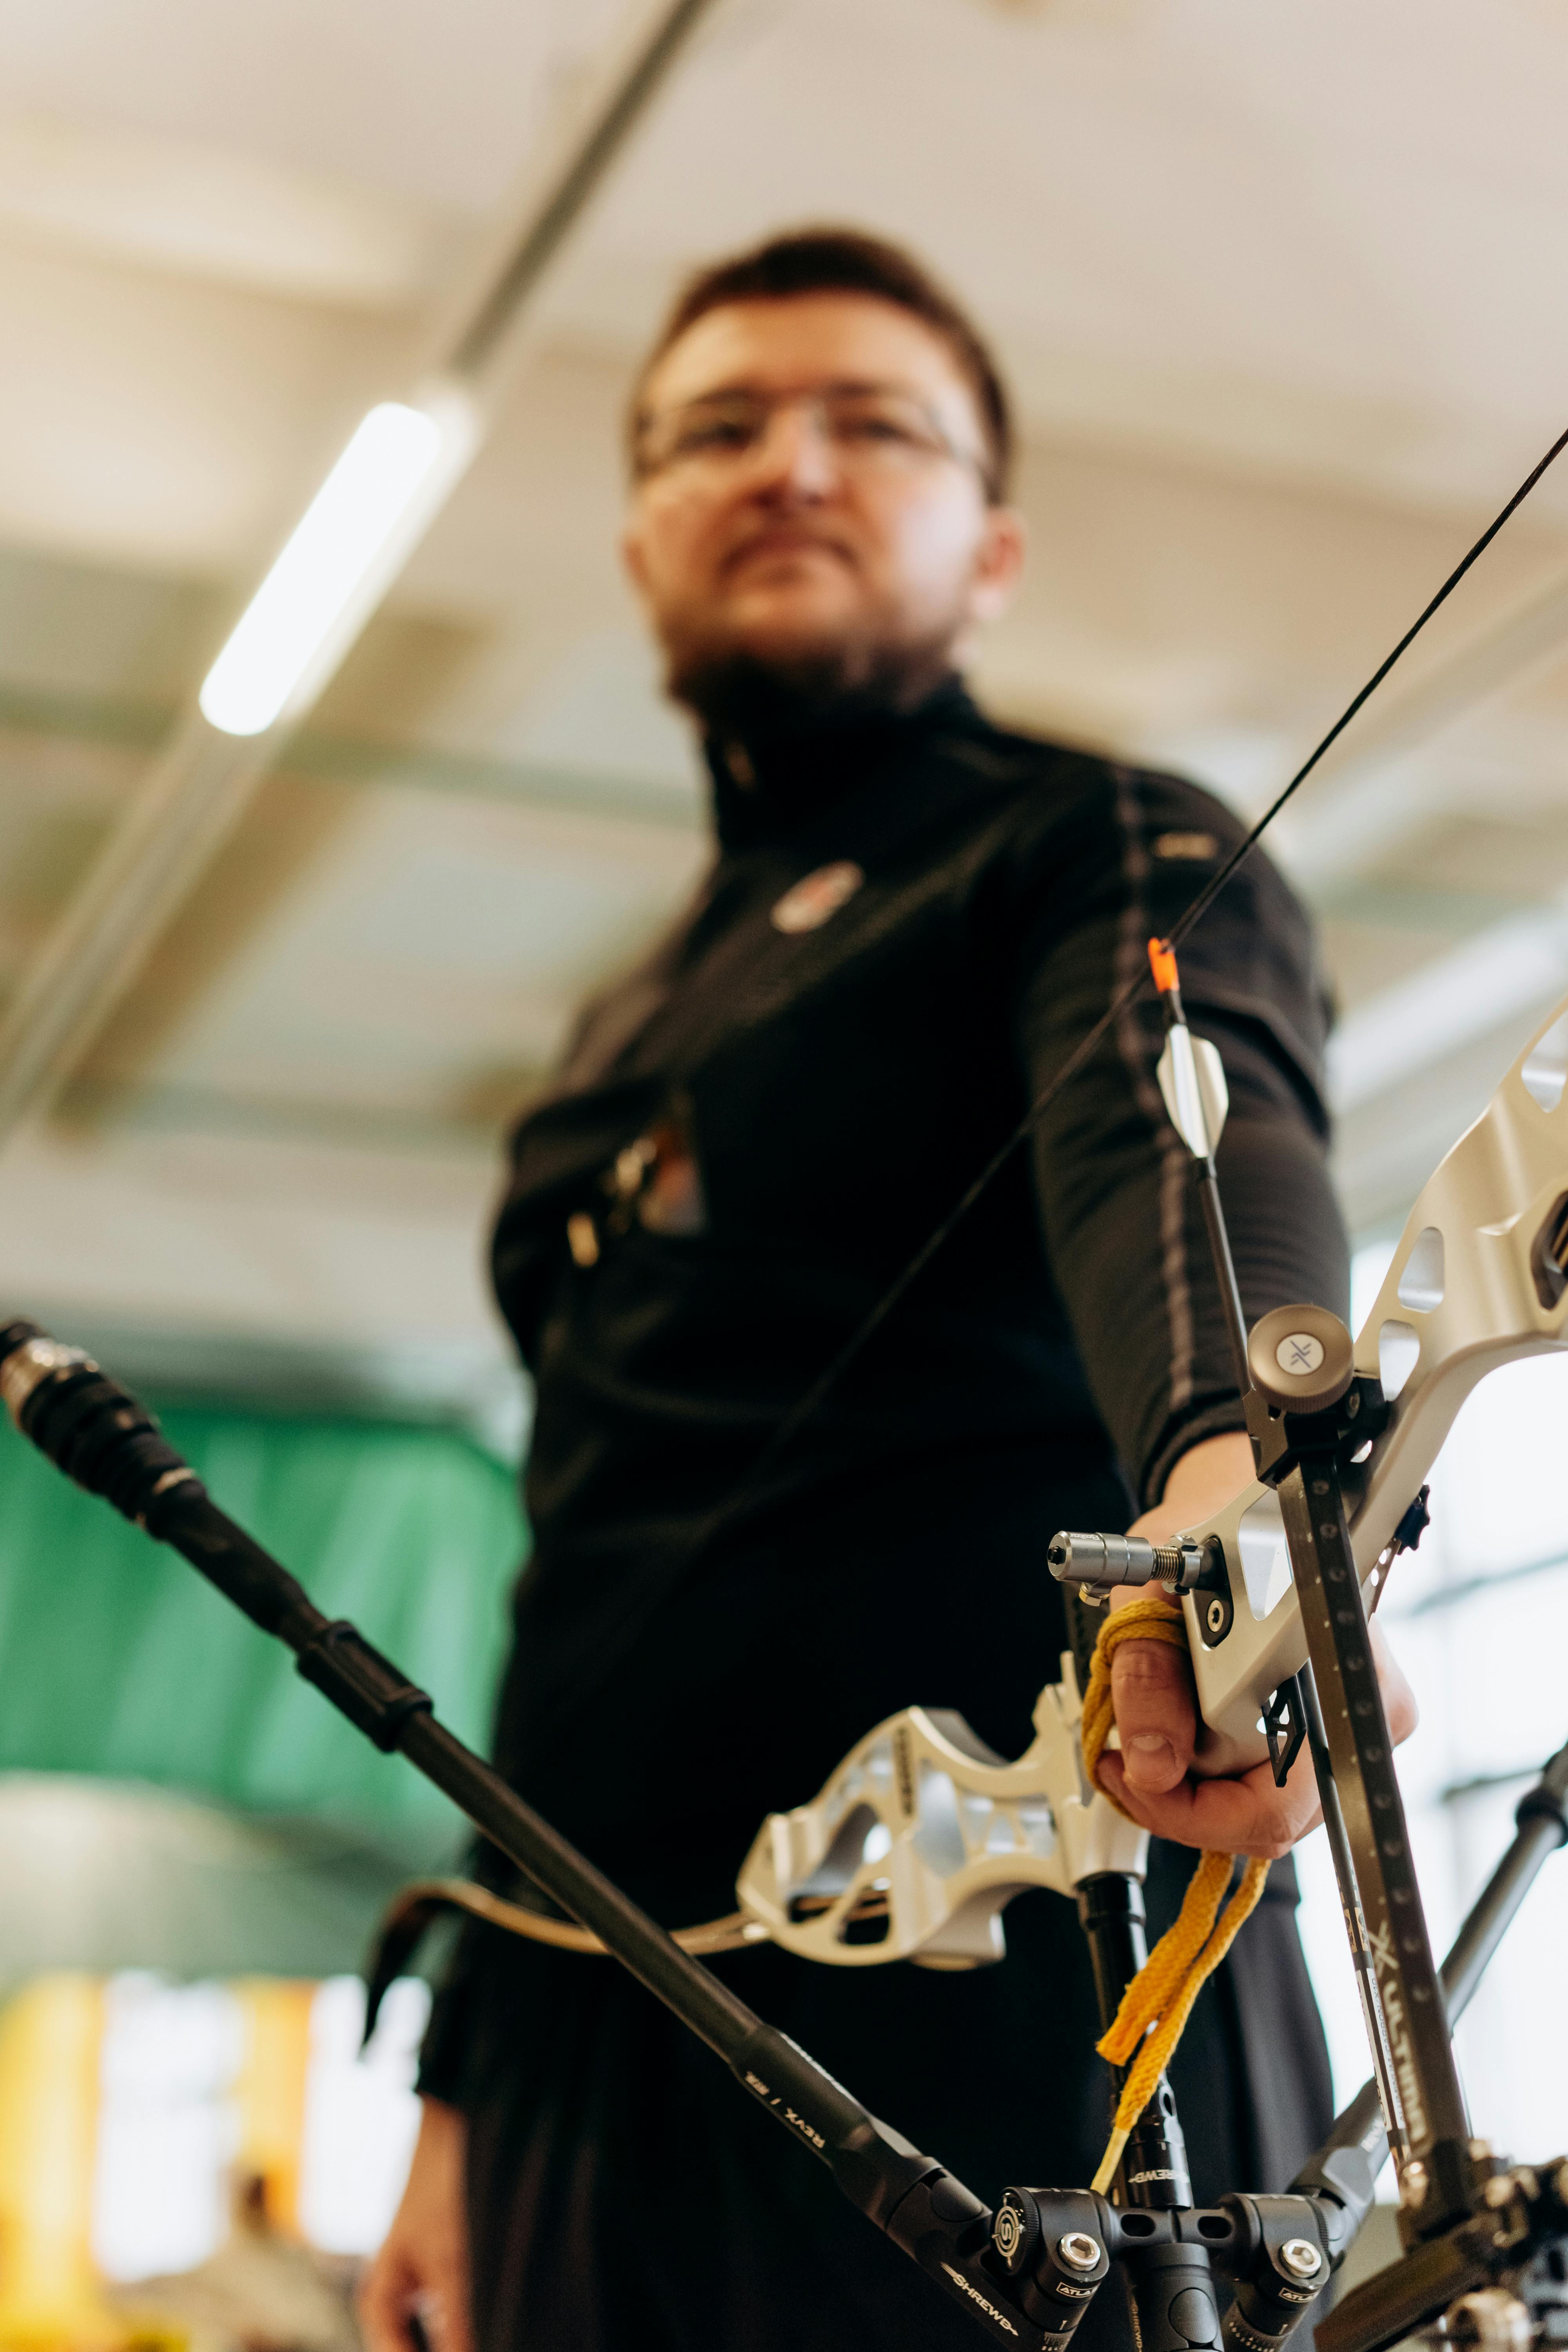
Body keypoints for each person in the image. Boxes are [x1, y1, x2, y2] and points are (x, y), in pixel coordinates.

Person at [360, 227, 1414, 2352]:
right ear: (645, 527)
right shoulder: (612, 1036)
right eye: (720, 431)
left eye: (876, 427)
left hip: (1032, 1988)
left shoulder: (1087, 845)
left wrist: (1228, 1510)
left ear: (991, 547)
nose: (793, 467)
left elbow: (1167, 1126)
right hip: (606, 2040)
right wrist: (469, 2090)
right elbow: (586, 1591)